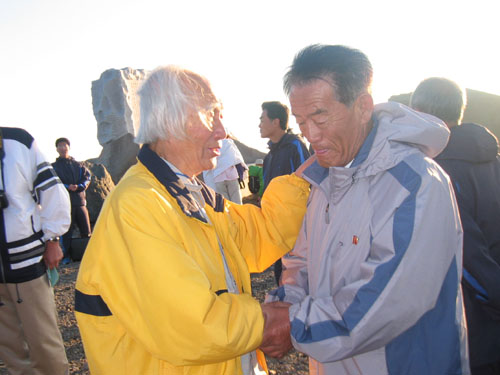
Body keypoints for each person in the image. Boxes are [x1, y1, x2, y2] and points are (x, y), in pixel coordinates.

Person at [74, 65, 310, 375]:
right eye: (211, 113)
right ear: (171, 122)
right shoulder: (138, 205)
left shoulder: (188, 191)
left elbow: (258, 235)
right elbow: (194, 325)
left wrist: (309, 175)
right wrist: (271, 321)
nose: (223, 132)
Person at [261, 45, 470, 374]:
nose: (311, 134)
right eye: (301, 121)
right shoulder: (321, 180)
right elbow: (299, 261)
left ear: (363, 106)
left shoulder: (415, 184)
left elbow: (384, 306)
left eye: (320, 116)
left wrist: (291, 324)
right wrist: (285, 301)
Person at [410, 77, 500, 375]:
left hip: (470, 324)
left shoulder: (439, 172)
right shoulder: (494, 161)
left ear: (420, 111)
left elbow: (462, 255)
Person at [0, 127, 71, 374]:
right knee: (9, 350)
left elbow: (51, 191)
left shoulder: (18, 141)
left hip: (27, 262)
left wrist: (53, 239)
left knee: (44, 342)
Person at [259, 101, 310, 284]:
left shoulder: (295, 146)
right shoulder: (269, 156)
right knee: (280, 274)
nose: (259, 124)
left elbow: (311, 181)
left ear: (276, 122)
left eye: (262, 119)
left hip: (297, 230)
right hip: (276, 228)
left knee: (298, 275)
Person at [52, 137, 92, 263]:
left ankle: (90, 255)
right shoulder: (54, 167)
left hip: (80, 202)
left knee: (86, 230)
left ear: (69, 147)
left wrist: (79, 187)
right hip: (64, 204)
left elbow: (87, 178)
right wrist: (66, 187)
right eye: (60, 146)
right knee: (66, 231)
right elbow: (53, 182)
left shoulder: (78, 165)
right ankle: (66, 257)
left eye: (65, 145)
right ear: (57, 149)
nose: (63, 148)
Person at [202, 136, 247, 204]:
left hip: (218, 177)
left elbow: (207, 164)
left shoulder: (211, 145)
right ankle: (238, 213)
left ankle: (228, 214)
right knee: (236, 200)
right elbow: (237, 158)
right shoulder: (228, 143)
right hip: (232, 176)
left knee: (225, 203)